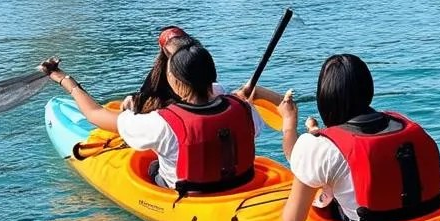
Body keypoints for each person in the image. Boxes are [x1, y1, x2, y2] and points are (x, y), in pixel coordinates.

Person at [278, 54, 440, 221]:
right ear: (368, 89)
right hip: (430, 209)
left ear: (324, 97)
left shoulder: (317, 146)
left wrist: (289, 123)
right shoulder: (399, 123)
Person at [41, 43, 291, 193]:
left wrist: (66, 80)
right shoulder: (242, 108)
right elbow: (275, 107)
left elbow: (95, 115)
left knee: (149, 162)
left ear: (175, 82)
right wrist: (251, 94)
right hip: (243, 184)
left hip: (188, 195)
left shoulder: (160, 123)